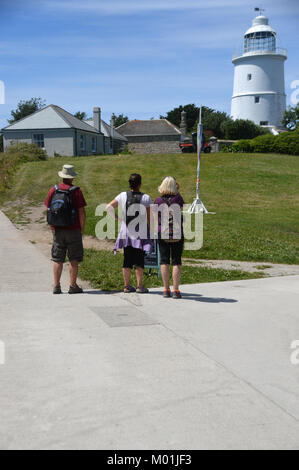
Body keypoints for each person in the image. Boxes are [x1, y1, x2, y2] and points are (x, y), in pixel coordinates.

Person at [44, 164, 87, 294]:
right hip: (73, 229)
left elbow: (48, 208)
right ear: (72, 178)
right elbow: (82, 212)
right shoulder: (76, 191)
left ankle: (56, 286)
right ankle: (73, 286)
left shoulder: (54, 190)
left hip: (58, 229)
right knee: (73, 259)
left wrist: (53, 226)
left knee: (58, 259)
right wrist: (81, 228)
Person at [106, 173, 152, 293]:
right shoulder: (146, 198)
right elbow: (150, 218)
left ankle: (126, 286)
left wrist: (117, 218)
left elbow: (108, 207)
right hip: (140, 232)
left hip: (126, 231)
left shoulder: (122, 195)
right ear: (140, 184)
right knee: (139, 259)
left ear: (129, 184)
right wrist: (151, 233)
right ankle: (140, 286)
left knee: (127, 258)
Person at [154, 176, 184, 299]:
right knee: (176, 261)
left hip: (163, 233)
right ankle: (176, 290)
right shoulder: (178, 199)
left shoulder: (157, 201)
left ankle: (166, 289)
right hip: (177, 233)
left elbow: (155, 217)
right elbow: (181, 210)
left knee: (164, 261)